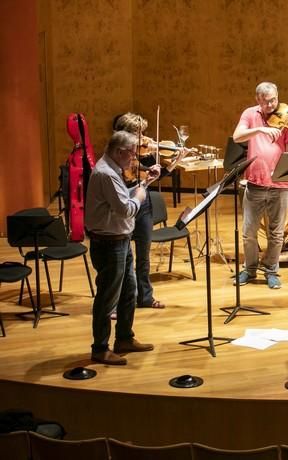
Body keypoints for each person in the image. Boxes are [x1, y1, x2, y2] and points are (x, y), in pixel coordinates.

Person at [232, 81, 288, 289]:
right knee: (249, 231)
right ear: (258, 100)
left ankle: (271, 270)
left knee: (276, 232)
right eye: (267, 101)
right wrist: (260, 129)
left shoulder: (286, 120)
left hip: (280, 184)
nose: (272, 105)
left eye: (274, 100)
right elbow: (237, 136)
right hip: (255, 183)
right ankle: (250, 269)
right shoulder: (250, 114)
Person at [85, 130, 159, 365]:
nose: (134, 158)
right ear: (119, 151)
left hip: (120, 240)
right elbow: (126, 209)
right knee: (107, 298)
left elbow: (121, 199)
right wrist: (139, 195)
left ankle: (124, 338)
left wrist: (145, 183)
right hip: (109, 244)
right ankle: (99, 348)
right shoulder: (106, 173)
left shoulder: (113, 169)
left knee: (130, 292)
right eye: (132, 153)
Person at [113, 113, 181, 310]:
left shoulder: (140, 153)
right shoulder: (117, 157)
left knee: (143, 256)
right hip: (124, 207)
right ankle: (117, 302)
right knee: (123, 259)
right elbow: (132, 174)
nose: (144, 139)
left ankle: (145, 297)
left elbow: (152, 173)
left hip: (143, 204)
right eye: (139, 134)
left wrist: (176, 158)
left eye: (143, 133)